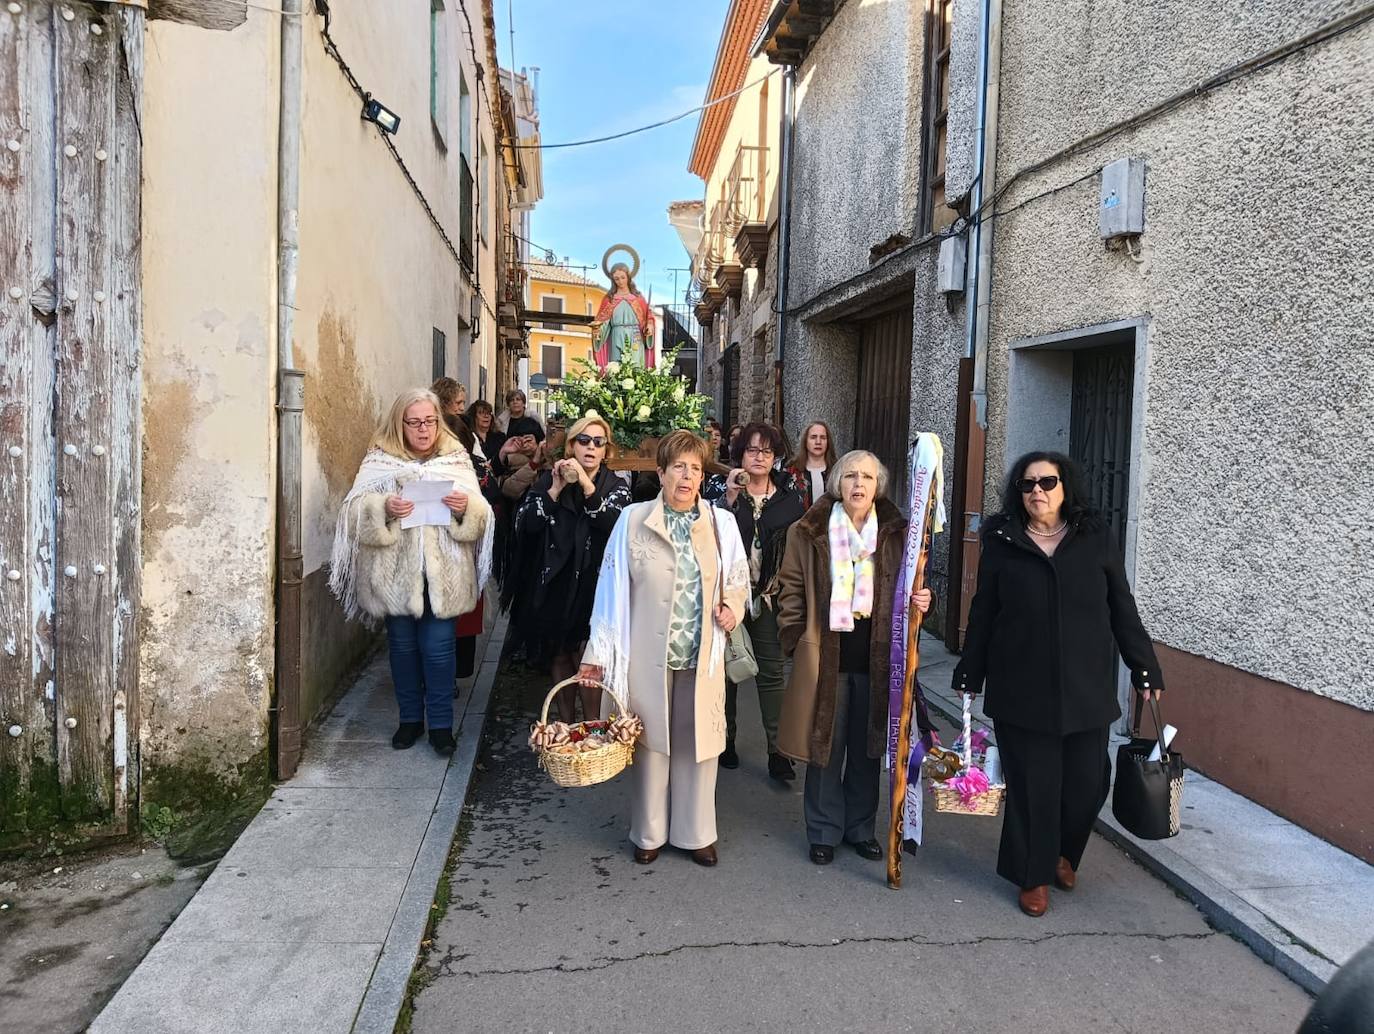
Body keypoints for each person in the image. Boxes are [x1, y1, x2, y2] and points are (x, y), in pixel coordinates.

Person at [953, 451, 1164, 917]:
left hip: (1085, 685)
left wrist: (1144, 669)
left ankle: (1065, 852)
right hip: (1020, 686)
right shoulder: (1003, 541)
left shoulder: (1094, 538)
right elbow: (984, 612)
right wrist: (970, 672)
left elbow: (1121, 607)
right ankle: (1033, 874)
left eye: (1047, 483)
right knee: (1033, 786)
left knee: (1089, 782)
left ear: (1065, 487)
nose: (1038, 493)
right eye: (1028, 485)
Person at [579, 430, 748, 867]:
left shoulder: (720, 523)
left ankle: (697, 833)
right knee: (651, 745)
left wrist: (732, 606)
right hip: (647, 656)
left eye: (695, 468)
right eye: (679, 467)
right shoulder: (633, 520)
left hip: (700, 653)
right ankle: (649, 831)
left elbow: (738, 577)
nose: (687, 477)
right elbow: (609, 590)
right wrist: (598, 654)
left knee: (699, 744)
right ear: (662, 472)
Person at [776, 451, 930, 864]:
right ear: (837, 484)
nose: (858, 484)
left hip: (880, 656)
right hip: (826, 655)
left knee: (868, 747)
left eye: (867, 477)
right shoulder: (808, 531)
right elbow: (789, 587)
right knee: (824, 746)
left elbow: (912, 584)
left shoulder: (899, 533)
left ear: (878, 485)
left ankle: (861, 828)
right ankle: (824, 830)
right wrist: (794, 636)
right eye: (849, 476)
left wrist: (922, 601)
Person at [329, 388, 492, 756]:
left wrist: (466, 507)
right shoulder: (381, 459)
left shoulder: (455, 458)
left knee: (438, 651)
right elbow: (352, 515)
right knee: (402, 651)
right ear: (400, 423)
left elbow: (482, 517)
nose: (423, 429)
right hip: (393, 575)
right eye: (414, 422)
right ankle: (409, 721)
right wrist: (384, 506)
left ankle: (440, 726)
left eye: (430, 421)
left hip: (444, 575)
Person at [506, 415, 631, 721]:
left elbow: (613, 521)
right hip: (558, 580)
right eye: (584, 441)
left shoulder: (615, 485)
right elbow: (526, 523)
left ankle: (592, 724)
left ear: (606, 450)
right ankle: (565, 722)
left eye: (598, 442)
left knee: (588, 657)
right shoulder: (550, 479)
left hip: (595, 582)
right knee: (559, 653)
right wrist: (554, 490)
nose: (590, 447)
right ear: (572, 446)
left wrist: (587, 485)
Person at [706, 422, 806, 780]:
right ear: (740, 455)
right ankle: (725, 740)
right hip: (729, 595)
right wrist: (731, 499)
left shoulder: (790, 497)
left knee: (771, 672)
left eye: (766, 451)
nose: (759, 457)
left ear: (776, 455)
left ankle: (777, 751)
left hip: (768, 597)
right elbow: (711, 533)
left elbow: (799, 547)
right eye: (752, 450)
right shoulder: (723, 491)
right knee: (727, 671)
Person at [591, 262, 656, 369]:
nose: (620, 281)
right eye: (616, 279)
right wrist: (597, 329)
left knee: (636, 366)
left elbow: (647, 318)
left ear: (628, 278)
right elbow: (602, 322)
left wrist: (649, 326)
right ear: (613, 280)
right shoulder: (609, 299)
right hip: (617, 336)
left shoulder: (638, 298)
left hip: (635, 336)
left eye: (623, 277)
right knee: (617, 367)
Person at [785, 421, 837, 509]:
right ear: (806, 441)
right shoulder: (791, 471)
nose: (818, 442)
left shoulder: (837, 470)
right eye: (813, 437)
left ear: (828, 442)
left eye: (823, 438)